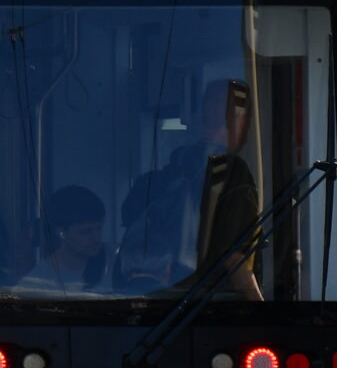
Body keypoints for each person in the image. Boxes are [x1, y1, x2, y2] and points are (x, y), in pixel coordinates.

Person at [118, 78, 261, 299]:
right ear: (241, 120)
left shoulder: (167, 173)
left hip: (157, 297)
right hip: (208, 308)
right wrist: (259, 308)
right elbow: (235, 258)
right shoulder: (232, 173)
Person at [21, 186, 108, 292]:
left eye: (99, 228)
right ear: (61, 233)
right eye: (86, 231)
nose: (96, 237)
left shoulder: (116, 264)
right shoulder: (37, 282)